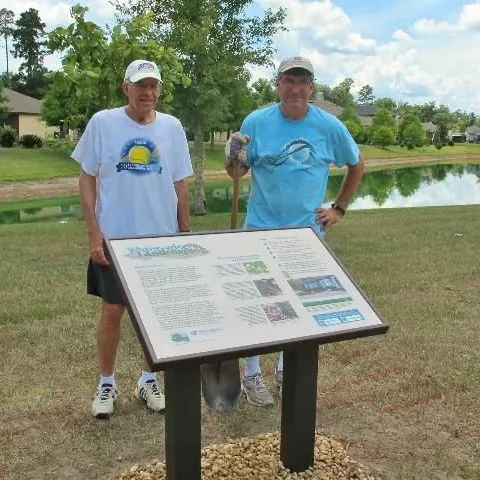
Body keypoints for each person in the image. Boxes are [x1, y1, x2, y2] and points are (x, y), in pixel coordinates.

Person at [225, 56, 365, 407]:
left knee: (298, 305)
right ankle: (252, 374)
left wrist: (339, 209)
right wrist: (232, 158)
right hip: (259, 229)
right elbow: (236, 174)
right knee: (260, 302)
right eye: (289, 81)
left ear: (312, 87)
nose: (295, 89)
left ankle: (286, 370)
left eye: (302, 82)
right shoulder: (256, 122)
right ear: (278, 84)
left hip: (305, 236)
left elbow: (356, 164)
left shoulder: (329, 126)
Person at [72, 59, 193, 419]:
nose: (148, 93)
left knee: (156, 314)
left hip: (161, 239)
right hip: (117, 240)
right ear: (126, 88)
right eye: (141, 85)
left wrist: (184, 230)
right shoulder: (103, 123)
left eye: (154, 86)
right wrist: (94, 233)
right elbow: (87, 177)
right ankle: (106, 383)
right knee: (113, 310)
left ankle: (147, 379)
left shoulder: (172, 127)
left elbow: (180, 181)